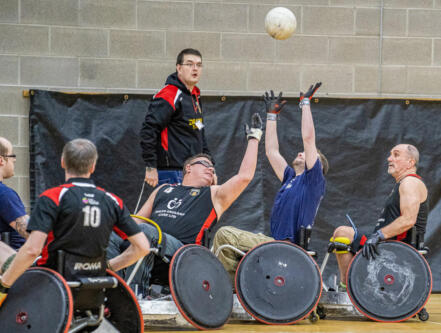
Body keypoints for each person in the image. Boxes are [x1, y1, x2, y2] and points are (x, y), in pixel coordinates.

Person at [109, 113, 262, 295]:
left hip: (184, 256)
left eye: (212, 168)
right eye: (205, 164)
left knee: (148, 233)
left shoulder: (214, 194)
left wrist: (254, 137)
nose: (211, 168)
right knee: (110, 236)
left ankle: (135, 295)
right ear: (188, 168)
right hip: (149, 245)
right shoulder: (163, 189)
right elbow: (138, 223)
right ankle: (112, 289)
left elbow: (244, 177)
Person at [0, 138, 150, 306]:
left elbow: (32, 250)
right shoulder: (112, 200)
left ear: (63, 162)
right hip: (94, 288)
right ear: (93, 166)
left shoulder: (52, 197)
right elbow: (143, 247)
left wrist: (4, 285)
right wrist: (108, 267)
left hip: (52, 284)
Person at [213, 83, 329, 281]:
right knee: (228, 248)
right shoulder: (290, 178)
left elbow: (309, 139)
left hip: (288, 248)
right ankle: (241, 287)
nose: (301, 152)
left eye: (309, 155)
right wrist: (272, 116)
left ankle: (233, 287)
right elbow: (271, 152)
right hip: (275, 243)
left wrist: (306, 104)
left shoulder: (313, 181)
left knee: (225, 235)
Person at [332, 144, 428, 291]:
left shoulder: (410, 182)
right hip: (386, 242)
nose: (389, 158)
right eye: (390, 154)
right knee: (340, 237)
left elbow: (408, 220)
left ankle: (347, 291)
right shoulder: (402, 184)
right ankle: (348, 287)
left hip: (396, 247)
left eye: (396, 155)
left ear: (410, 162)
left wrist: (378, 235)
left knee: (342, 233)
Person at [140, 48, 210, 187]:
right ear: (179, 68)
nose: (195, 68)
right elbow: (149, 130)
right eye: (189, 64)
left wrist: (208, 165)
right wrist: (150, 167)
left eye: (198, 65)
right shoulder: (169, 94)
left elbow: (199, 132)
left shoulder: (195, 95)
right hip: (171, 172)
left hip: (193, 171)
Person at [0, 137, 29, 249]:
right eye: (12, 155)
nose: (14, 159)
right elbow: (29, 232)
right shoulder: (4, 194)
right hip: (10, 263)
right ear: (1, 160)